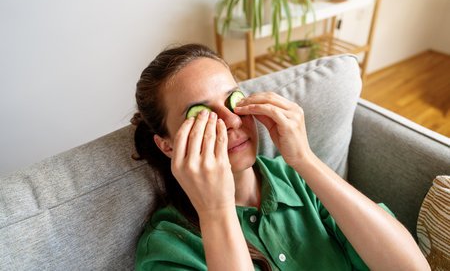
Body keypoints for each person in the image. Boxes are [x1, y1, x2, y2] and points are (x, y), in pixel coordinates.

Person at [132, 43, 429, 270]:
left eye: (231, 99)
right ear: (167, 146)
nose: (232, 121)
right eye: (203, 117)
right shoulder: (166, 247)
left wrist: (305, 159)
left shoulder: (297, 178)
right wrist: (215, 212)